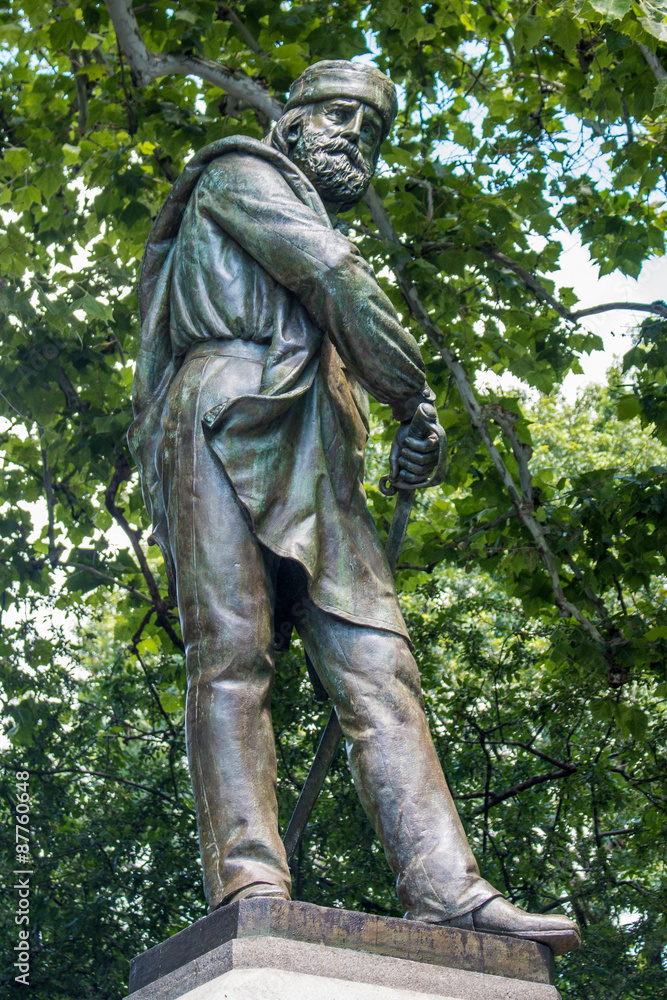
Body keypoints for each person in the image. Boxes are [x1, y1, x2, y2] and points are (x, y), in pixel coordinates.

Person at [129, 59, 580, 954]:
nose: (356, 140)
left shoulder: (304, 229)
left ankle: (447, 887)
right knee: (231, 651)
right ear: (292, 122)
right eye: (341, 116)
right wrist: (413, 393)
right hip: (221, 407)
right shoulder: (239, 175)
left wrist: (404, 432)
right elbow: (329, 272)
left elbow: (337, 320)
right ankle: (249, 875)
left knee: (379, 662)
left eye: (372, 130)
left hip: (314, 451)